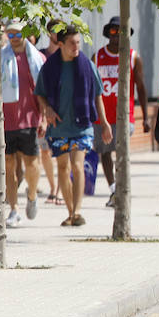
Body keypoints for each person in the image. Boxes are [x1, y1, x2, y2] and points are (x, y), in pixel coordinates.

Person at [35, 24, 112, 227]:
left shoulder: (87, 66)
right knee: (62, 167)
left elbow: (98, 96)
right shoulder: (50, 67)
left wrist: (104, 123)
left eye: (78, 42)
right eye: (71, 43)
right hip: (58, 127)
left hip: (82, 125)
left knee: (77, 166)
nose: (76, 46)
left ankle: (78, 211)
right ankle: (70, 211)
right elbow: (40, 93)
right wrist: (47, 109)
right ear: (60, 44)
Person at [0, 22, 47, 227]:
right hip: (6, 122)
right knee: (8, 166)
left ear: (26, 34)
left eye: (18, 33)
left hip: (30, 119)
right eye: (10, 35)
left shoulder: (37, 59)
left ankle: (31, 195)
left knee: (32, 164)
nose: (14, 38)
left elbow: (44, 93)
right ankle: (13, 209)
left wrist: (44, 118)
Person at [92, 16, 151, 207]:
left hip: (125, 117)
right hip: (102, 117)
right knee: (105, 152)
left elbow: (141, 88)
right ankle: (113, 190)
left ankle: (122, 189)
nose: (117, 35)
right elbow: (92, 89)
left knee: (121, 152)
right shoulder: (98, 56)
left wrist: (146, 117)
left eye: (122, 31)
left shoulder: (133, 57)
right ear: (107, 33)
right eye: (113, 31)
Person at [38, 18, 63, 204]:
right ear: (49, 33)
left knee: (63, 153)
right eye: (55, 30)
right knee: (45, 152)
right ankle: (53, 187)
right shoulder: (41, 55)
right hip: (45, 110)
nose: (58, 33)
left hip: (64, 111)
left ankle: (60, 191)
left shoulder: (68, 55)